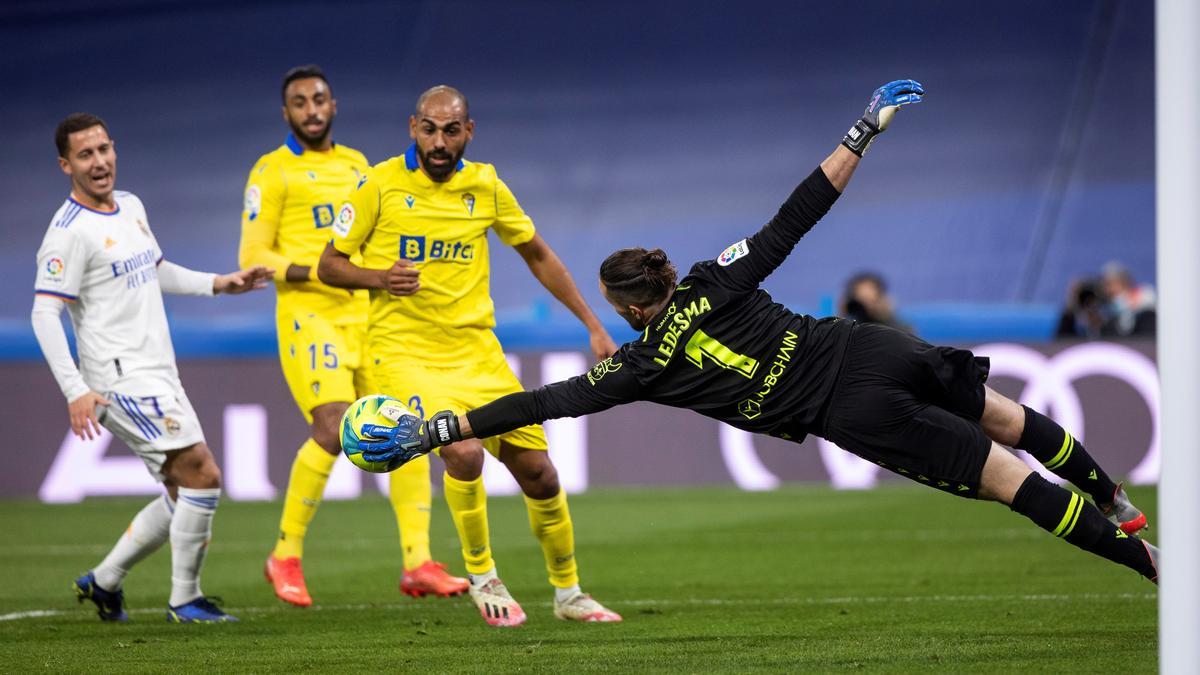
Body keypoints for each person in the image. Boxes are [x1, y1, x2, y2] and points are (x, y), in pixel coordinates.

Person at [362, 80, 1159, 588]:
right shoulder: (716, 276)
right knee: (1010, 418)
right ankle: (1116, 496)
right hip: (865, 347)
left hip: (853, 411)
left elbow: (541, 399)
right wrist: (861, 132)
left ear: (632, 309)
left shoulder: (640, 367)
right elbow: (794, 218)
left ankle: (1154, 568)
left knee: (1008, 483)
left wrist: (444, 427)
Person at [317, 86, 623, 626]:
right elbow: (329, 265)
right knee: (463, 452)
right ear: (413, 127)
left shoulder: (485, 186)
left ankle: (569, 593)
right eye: (430, 129)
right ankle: (482, 575)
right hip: (404, 352)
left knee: (541, 474)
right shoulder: (378, 185)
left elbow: (537, 253)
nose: (439, 142)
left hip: (479, 353)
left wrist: (594, 324)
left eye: (451, 130)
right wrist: (378, 277)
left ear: (469, 131)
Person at [33, 113, 274, 623]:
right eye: (84, 155)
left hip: (158, 369)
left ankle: (103, 582)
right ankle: (184, 600)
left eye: (103, 149)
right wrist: (75, 390)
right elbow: (44, 312)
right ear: (65, 165)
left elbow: (155, 269)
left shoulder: (131, 206)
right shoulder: (68, 234)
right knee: (202, 474)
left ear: (113, 148)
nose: (98, 162)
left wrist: (220, 283)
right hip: (117, 378)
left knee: (181, 488)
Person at [239, 65, 464, 608]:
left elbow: (367, 239)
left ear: (334, 105)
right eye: (299, 102)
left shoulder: (358, 166)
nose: (311, 109)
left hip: (368, 315)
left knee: (402, 430)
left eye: (319, 99)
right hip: (308, 317)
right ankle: (285, 554)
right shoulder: (270, 173)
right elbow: (254, 258)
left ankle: (418, 563)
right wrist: (320, 272)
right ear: (286, 113)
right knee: (335, 427)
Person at [839, 271, 913, 334]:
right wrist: (841, 319)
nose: (864, 308)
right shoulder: (845, 330)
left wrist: (884, 316)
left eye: (869, 301)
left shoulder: (902, 330)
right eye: (860, 303)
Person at [1098, 261, 1156, 337]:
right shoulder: (1106, 310)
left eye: (1110, 284)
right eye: (1104, 285)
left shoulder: (1145, 297)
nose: (1108, 290)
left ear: (1125, 283)